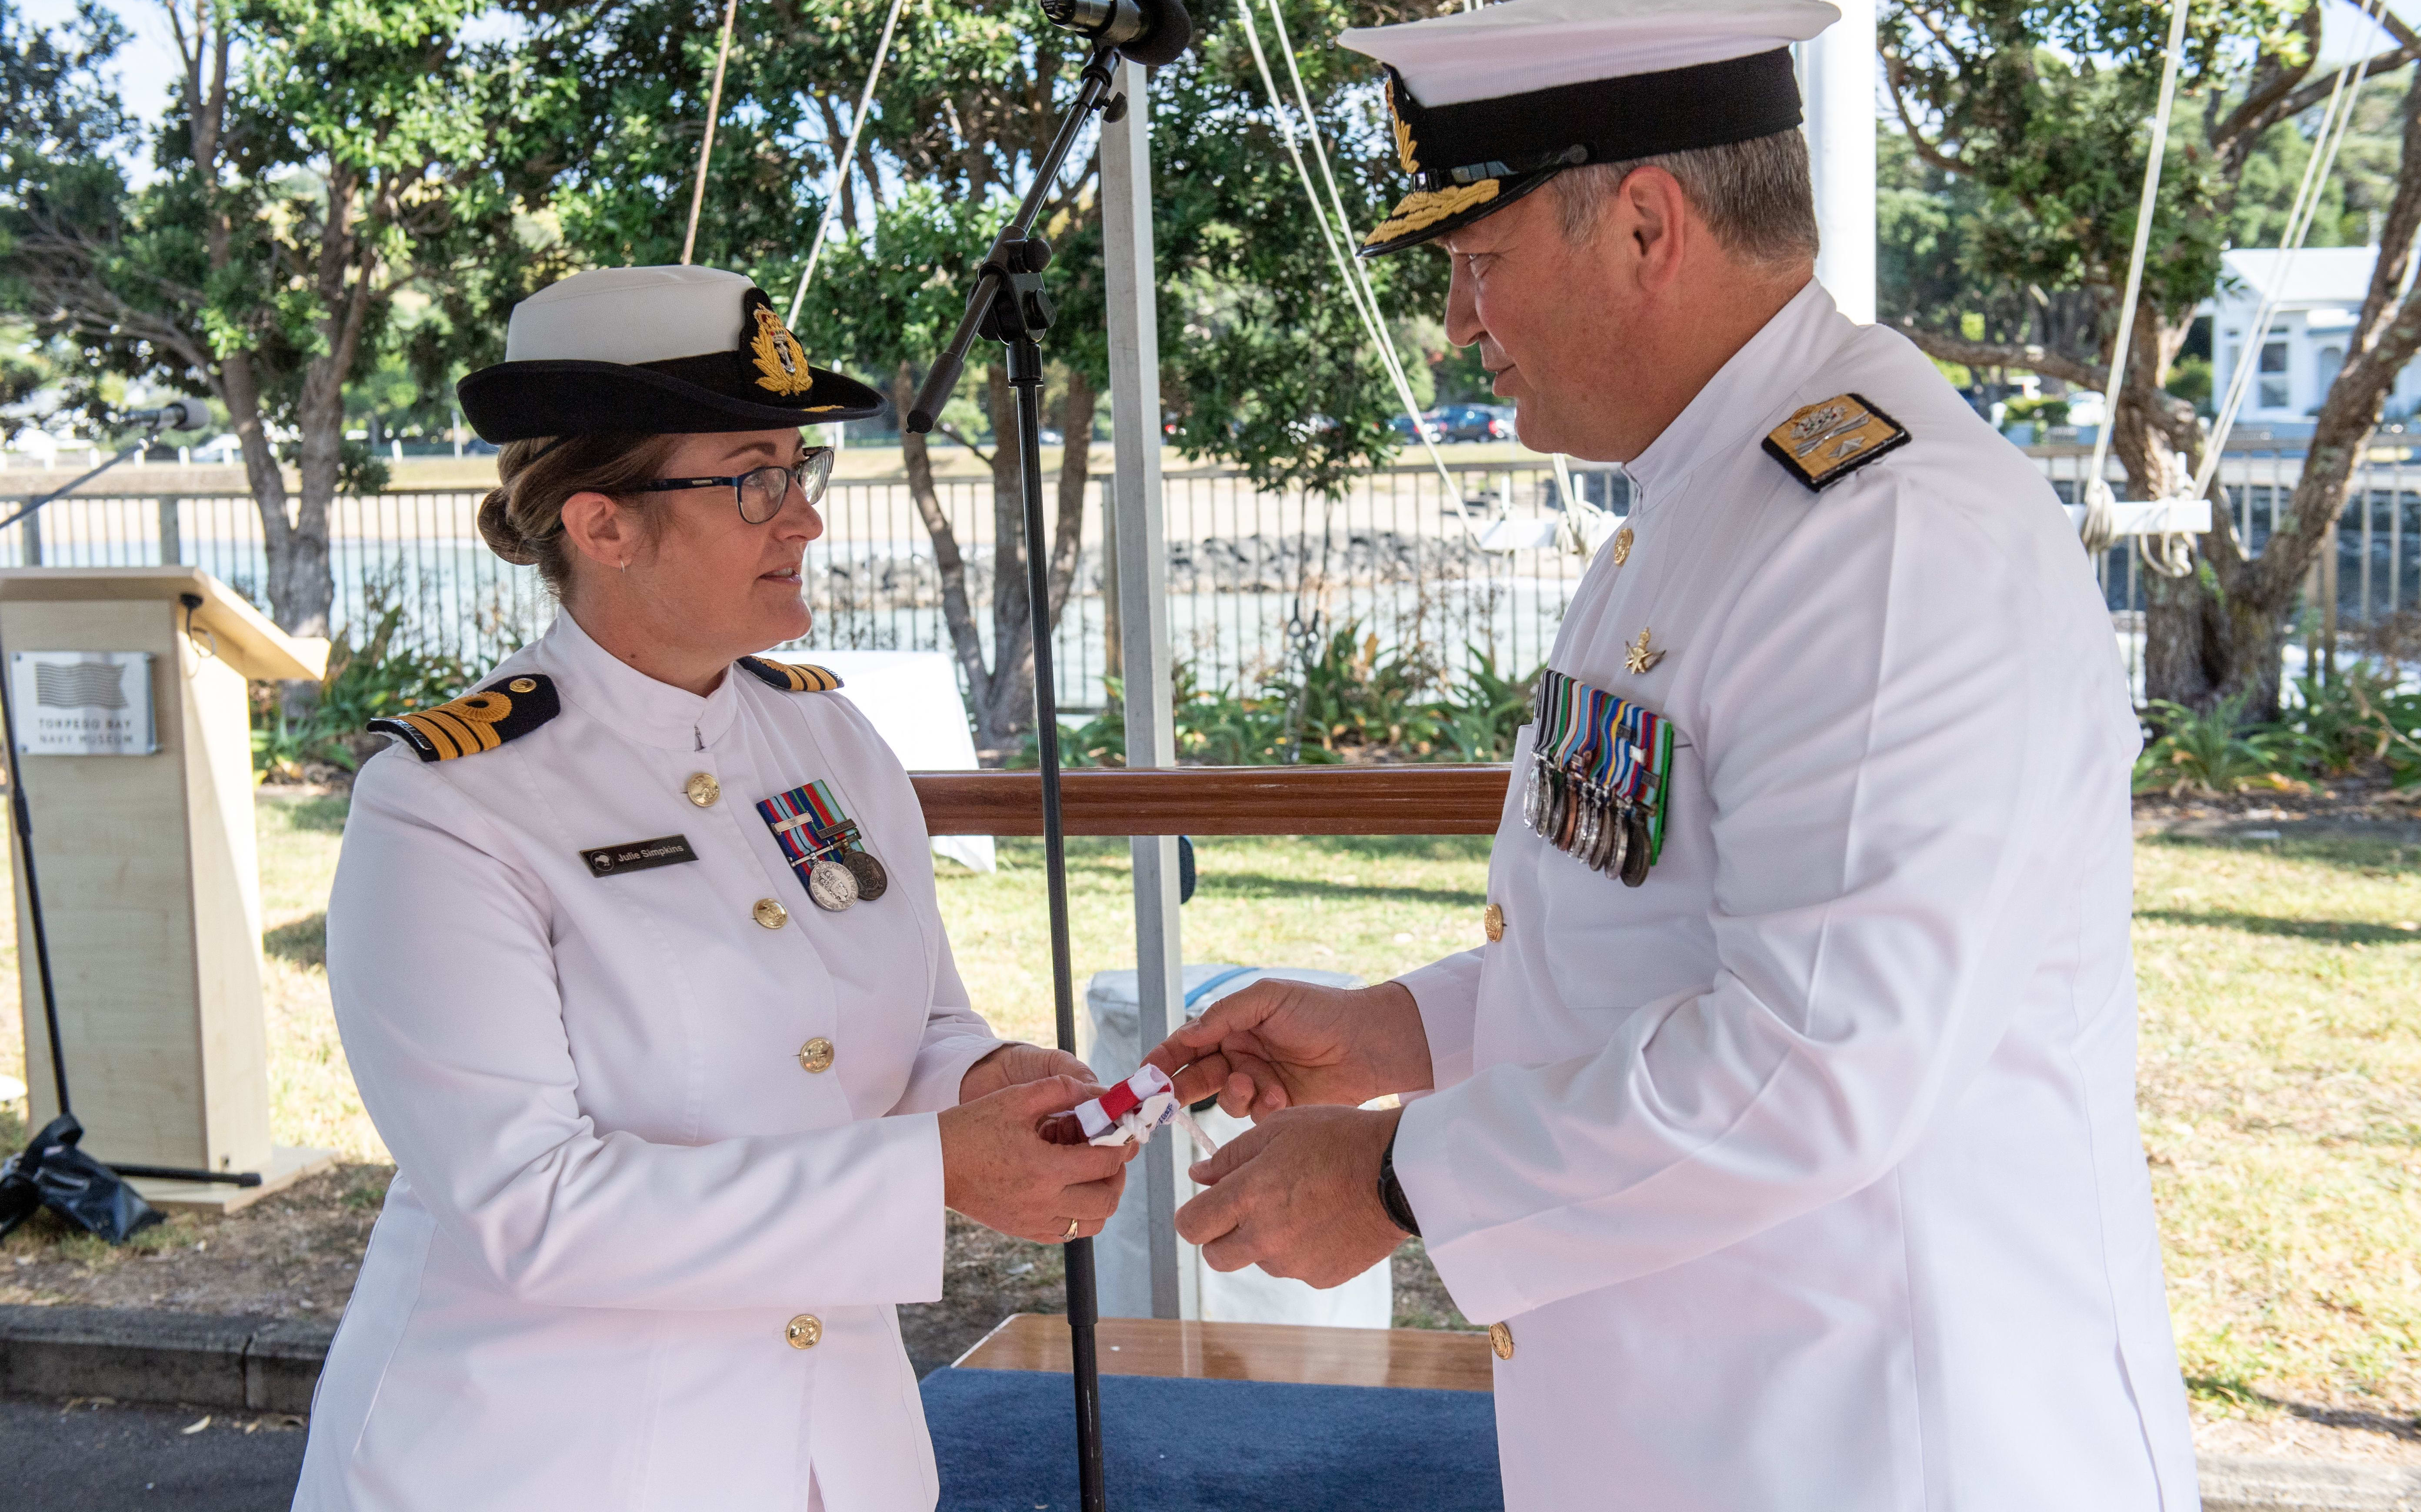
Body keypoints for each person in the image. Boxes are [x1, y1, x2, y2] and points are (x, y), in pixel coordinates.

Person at [1144, 2, 2199, 1508]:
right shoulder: (1717, 500)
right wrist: (1402, 1033)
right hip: (1707, 1418)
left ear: (1646, 225)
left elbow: (1815, 1059)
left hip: (1875, 1440)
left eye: (1480, 259)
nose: (1457, 319)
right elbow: (1659, 939)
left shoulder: (1881, 537)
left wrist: (1397, 1179)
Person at [293, 265, 1133, 1512]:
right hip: (543, 1462)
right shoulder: (451, 803)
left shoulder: (831, 741)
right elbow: (535, 1208)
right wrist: (933, 1171)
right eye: (754, 481)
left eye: (803, 474)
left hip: (829, 1453)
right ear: (603, 526)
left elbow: (917, 1026)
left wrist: (984, 1080)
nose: (803, 520)